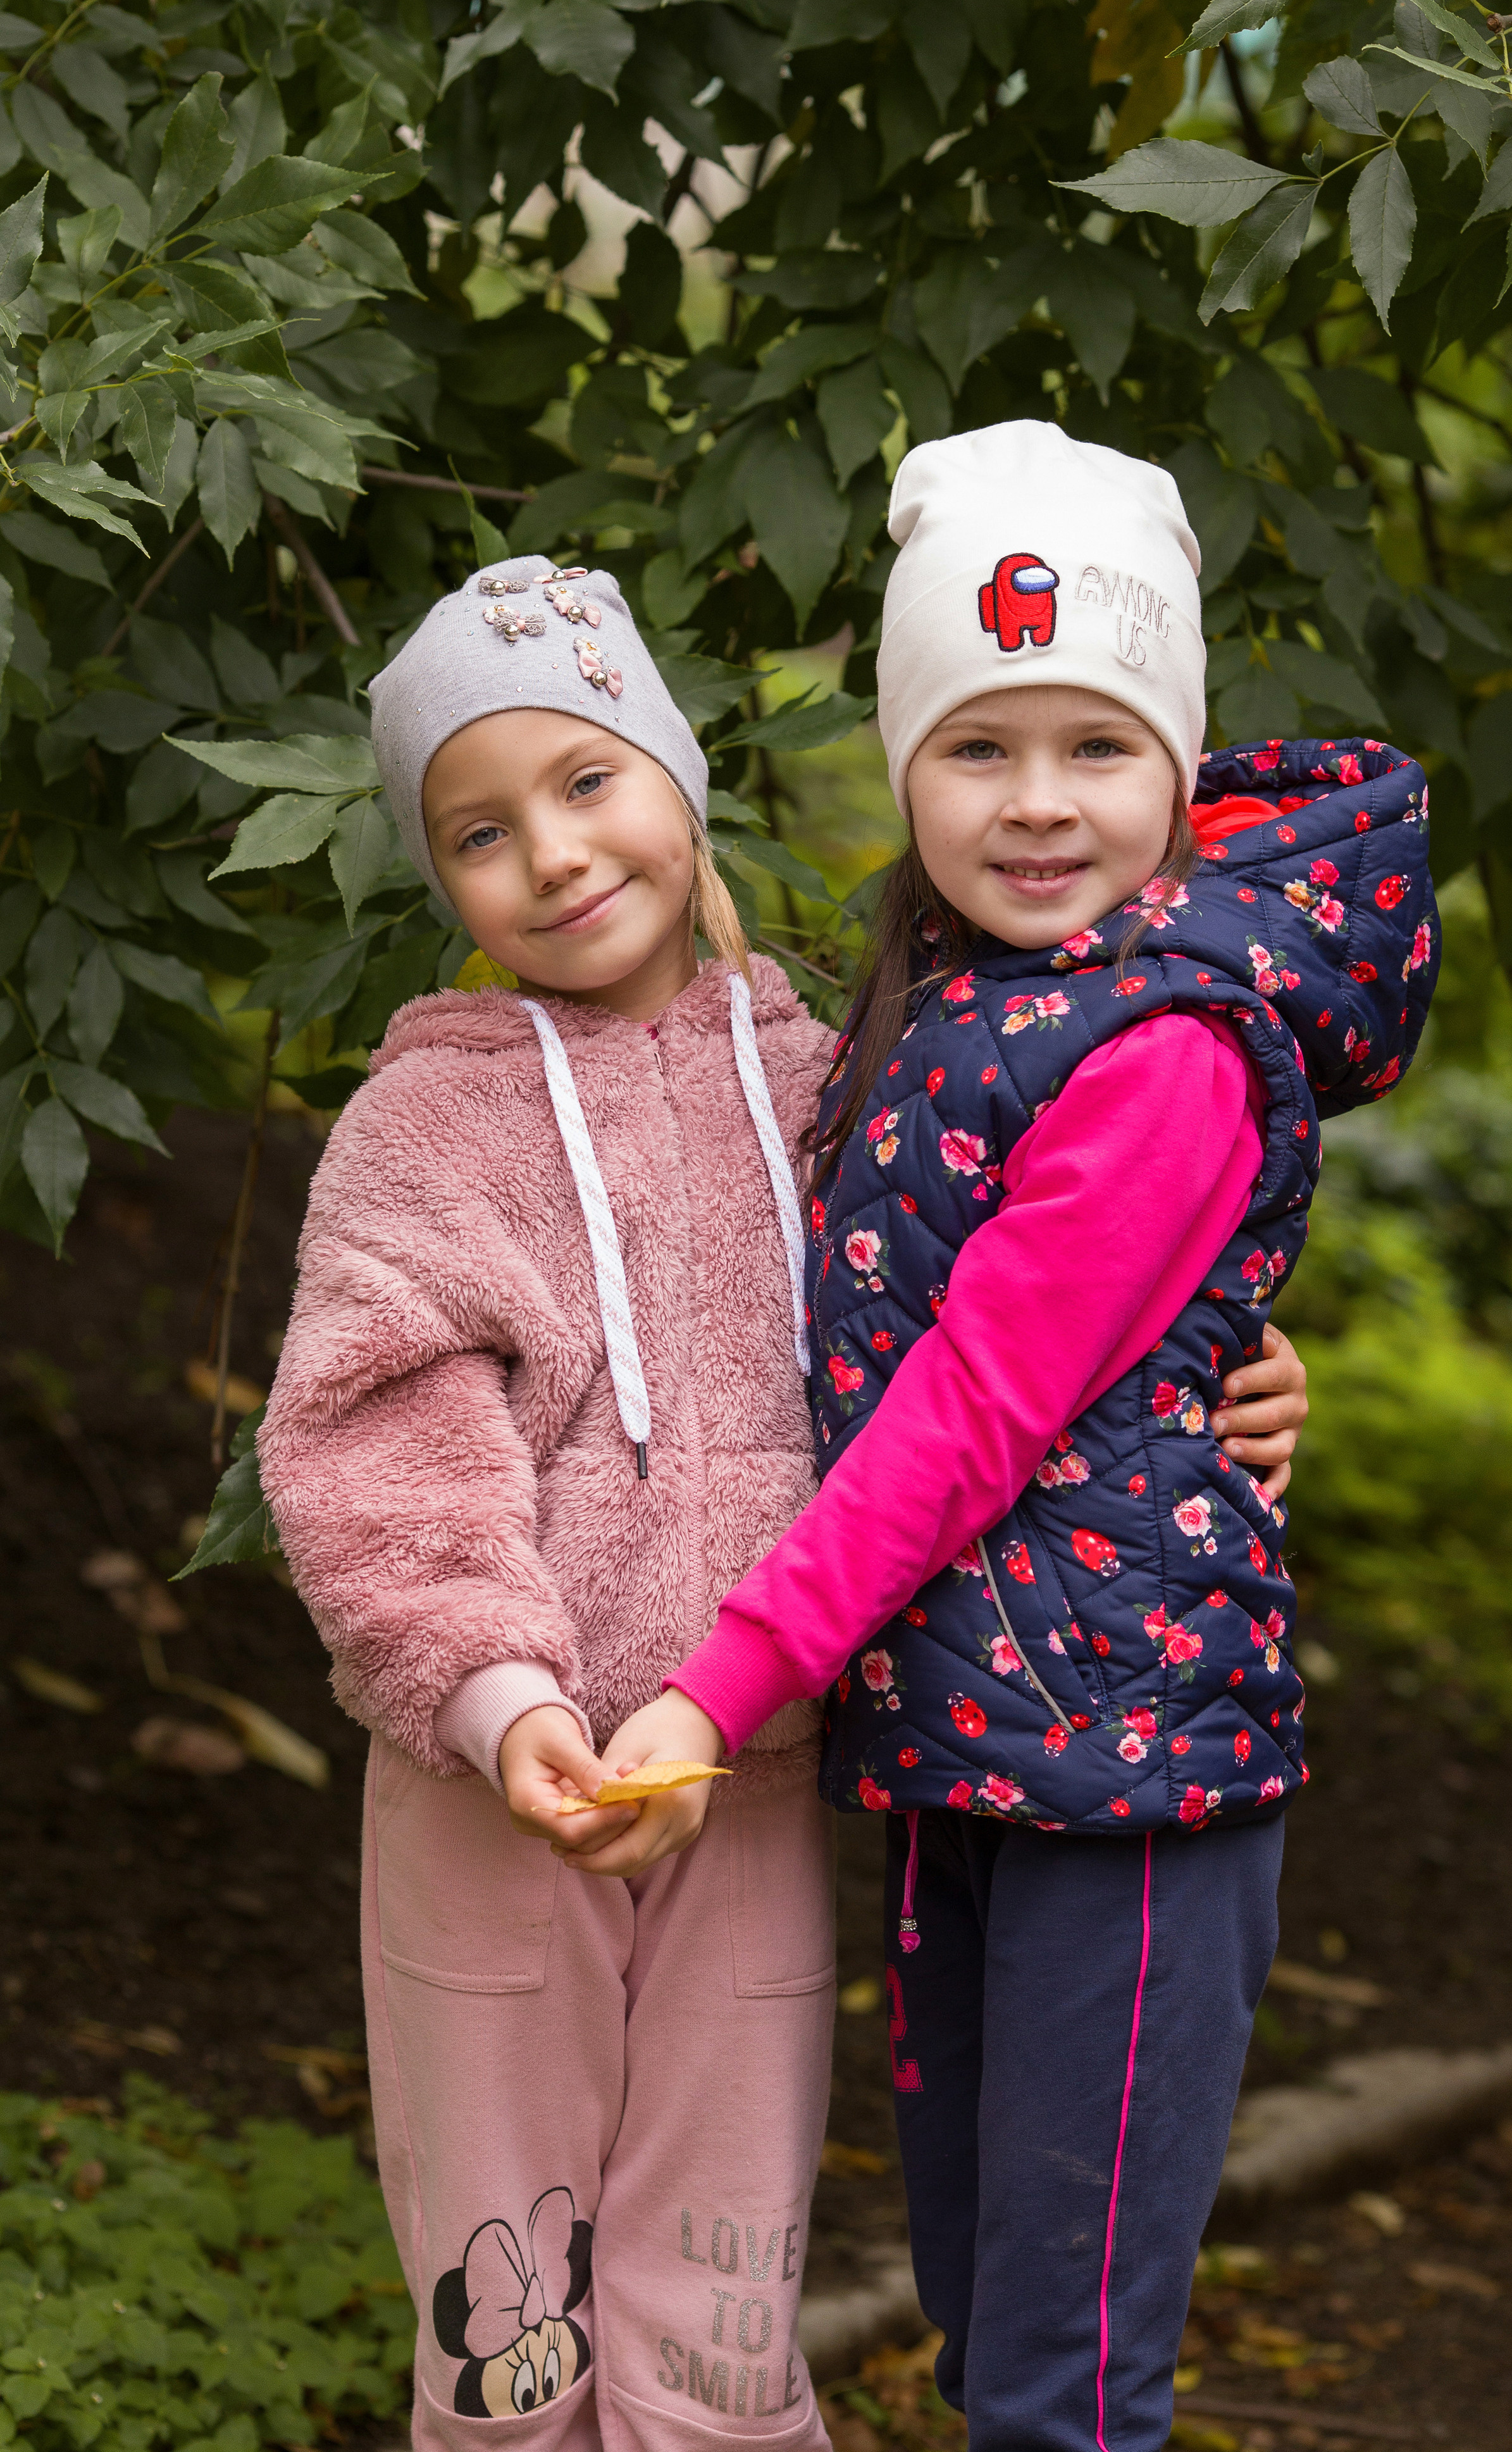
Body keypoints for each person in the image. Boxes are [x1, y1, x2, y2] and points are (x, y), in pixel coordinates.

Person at [258, 535, 1311, 2452]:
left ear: (679, 775)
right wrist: (502, 1707)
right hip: (503, 1787)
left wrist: (1222, 1373)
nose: (557, 855)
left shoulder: (840, 1081)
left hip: (747, 1774)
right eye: (481, 832)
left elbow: (1001, 1346)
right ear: (439, 877)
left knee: (722, 2300)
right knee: (509, 2306)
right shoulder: (421, 1134)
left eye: (587, 780)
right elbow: (373, 1461)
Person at [595, 423, 1438, 2452]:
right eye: (978, 747)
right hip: (982, 1743)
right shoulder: (957, 997)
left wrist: (719, 1689)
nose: (1039, 803)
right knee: (989, 2334)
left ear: (1182, 764)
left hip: (1124, 1789)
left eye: (1096, 745)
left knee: (1060, 2387)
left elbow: (973, 1409)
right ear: (901, 765)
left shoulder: (1158, 1038)